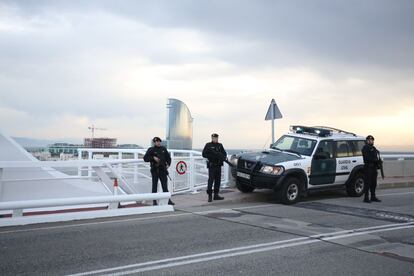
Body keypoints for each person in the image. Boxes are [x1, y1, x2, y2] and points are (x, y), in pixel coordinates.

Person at [143, 137, 175, 205]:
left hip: (163, 170)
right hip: (155, 170)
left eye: (159, 141)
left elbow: (168, 158)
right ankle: (154, 201)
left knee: (165, 186)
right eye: (156, 141)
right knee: (154, 186)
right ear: (154, 142)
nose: (158, 142)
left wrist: (168, 164)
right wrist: (153, 158)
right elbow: (145, 158)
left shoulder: (163, 149)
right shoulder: (151, 149)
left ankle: (168, 200)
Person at [202, 133, 227, 202]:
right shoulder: (208, 145)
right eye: (214, 138)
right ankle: (210, 196)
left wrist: (222, 157)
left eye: (216, 138)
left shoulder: (220, 145)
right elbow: (204, 154)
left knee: (218, 181)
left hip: (218, 166)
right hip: (212, 166)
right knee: (211, 181)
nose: (215, 139)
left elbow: (224, 153)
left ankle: (216, 195)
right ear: (212, 138)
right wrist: (212, 156)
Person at [361, 135, 382, 203]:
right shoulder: (365, 148)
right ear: (367, 141)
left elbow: (376, 157)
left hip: (374, 168)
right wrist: (375, 160)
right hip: (368, 168)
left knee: (374, 183)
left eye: (372, 140)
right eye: (369, 140)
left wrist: (379, 161)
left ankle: (373, 197)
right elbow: (367, 158)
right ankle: (366, 198)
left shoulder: (374, 148)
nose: (370, 141)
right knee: (368, 183)